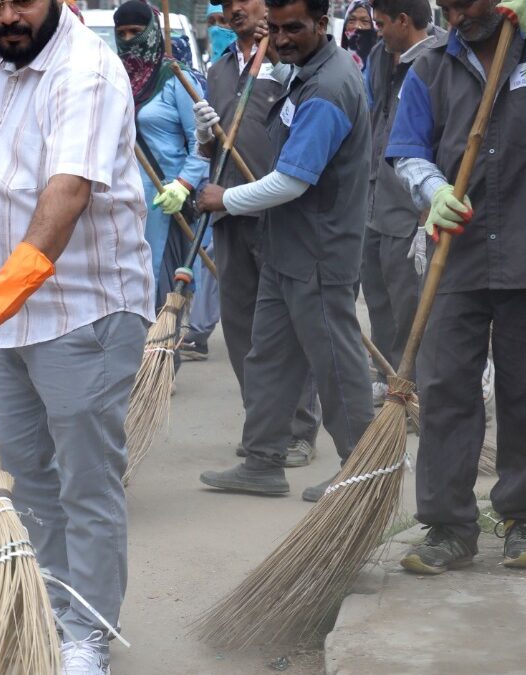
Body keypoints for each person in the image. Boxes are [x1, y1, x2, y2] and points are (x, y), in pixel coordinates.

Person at [0, 0, 154, 670]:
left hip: (85, 311)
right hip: (3, 317)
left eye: (20, 1)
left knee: (87, 483)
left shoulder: (87, 70)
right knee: (29, 480)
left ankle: (89, 635)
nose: (6, 18)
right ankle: (52, 605)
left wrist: (5, 288)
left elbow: (68, 189)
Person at [386, 0, 526, 573]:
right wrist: (432, 190)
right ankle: (448, 528)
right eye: (447, 6)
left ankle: (523, 521)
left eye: (466, 3)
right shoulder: (429, 68)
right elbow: (405, 151)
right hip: (456, 252)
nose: (456, 14)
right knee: (446, 391)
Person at [194, 0, 374, 502]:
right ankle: (262, 461)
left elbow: (293, 181)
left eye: (294, 28)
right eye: (275, 28)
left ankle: (362, 470)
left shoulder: (327, 87)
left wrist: (223, 197)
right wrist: (208, 136)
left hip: (318, 250)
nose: (282, 38)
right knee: (268, 356)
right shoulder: (300, 72)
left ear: (322, 24)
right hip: (285, 245)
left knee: (335, 362)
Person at [193, 0, 323, 468]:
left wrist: (275, 63)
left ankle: (300, 429)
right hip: (227, 211)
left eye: (244, 1)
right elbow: (211, 148)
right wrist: (205, 132)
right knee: (242, 324)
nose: (235, 10)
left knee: (288, 325)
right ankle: (262, 426)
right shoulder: (221, 67)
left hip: (279, 211)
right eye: (227, 5)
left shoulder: (288, 62)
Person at [361, 0, 438, 405]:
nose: (378, 30)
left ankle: (416, 384)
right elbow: (372, 116)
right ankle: (387, 375)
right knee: (377, 296)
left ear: (405, 21)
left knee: (411, 301)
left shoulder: (437, 60)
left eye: (383, 23)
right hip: (373, 199)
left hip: (411, 208)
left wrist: (428, 204)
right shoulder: (379, 57)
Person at [113, 0, 209, 309]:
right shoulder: (113, 78)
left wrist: (182, 185)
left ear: (152, 32)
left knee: (158, 294)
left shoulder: (176, 79)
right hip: (121, 203)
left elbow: (202, 144)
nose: (129, 40)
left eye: (136, 32)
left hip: (164, 204)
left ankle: (163, 357)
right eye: (122, 33)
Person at [341, 0, 378, 70]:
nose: (357, 26)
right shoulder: (336, 64)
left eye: (364, 21)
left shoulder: (381, 69)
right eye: (352, 20)